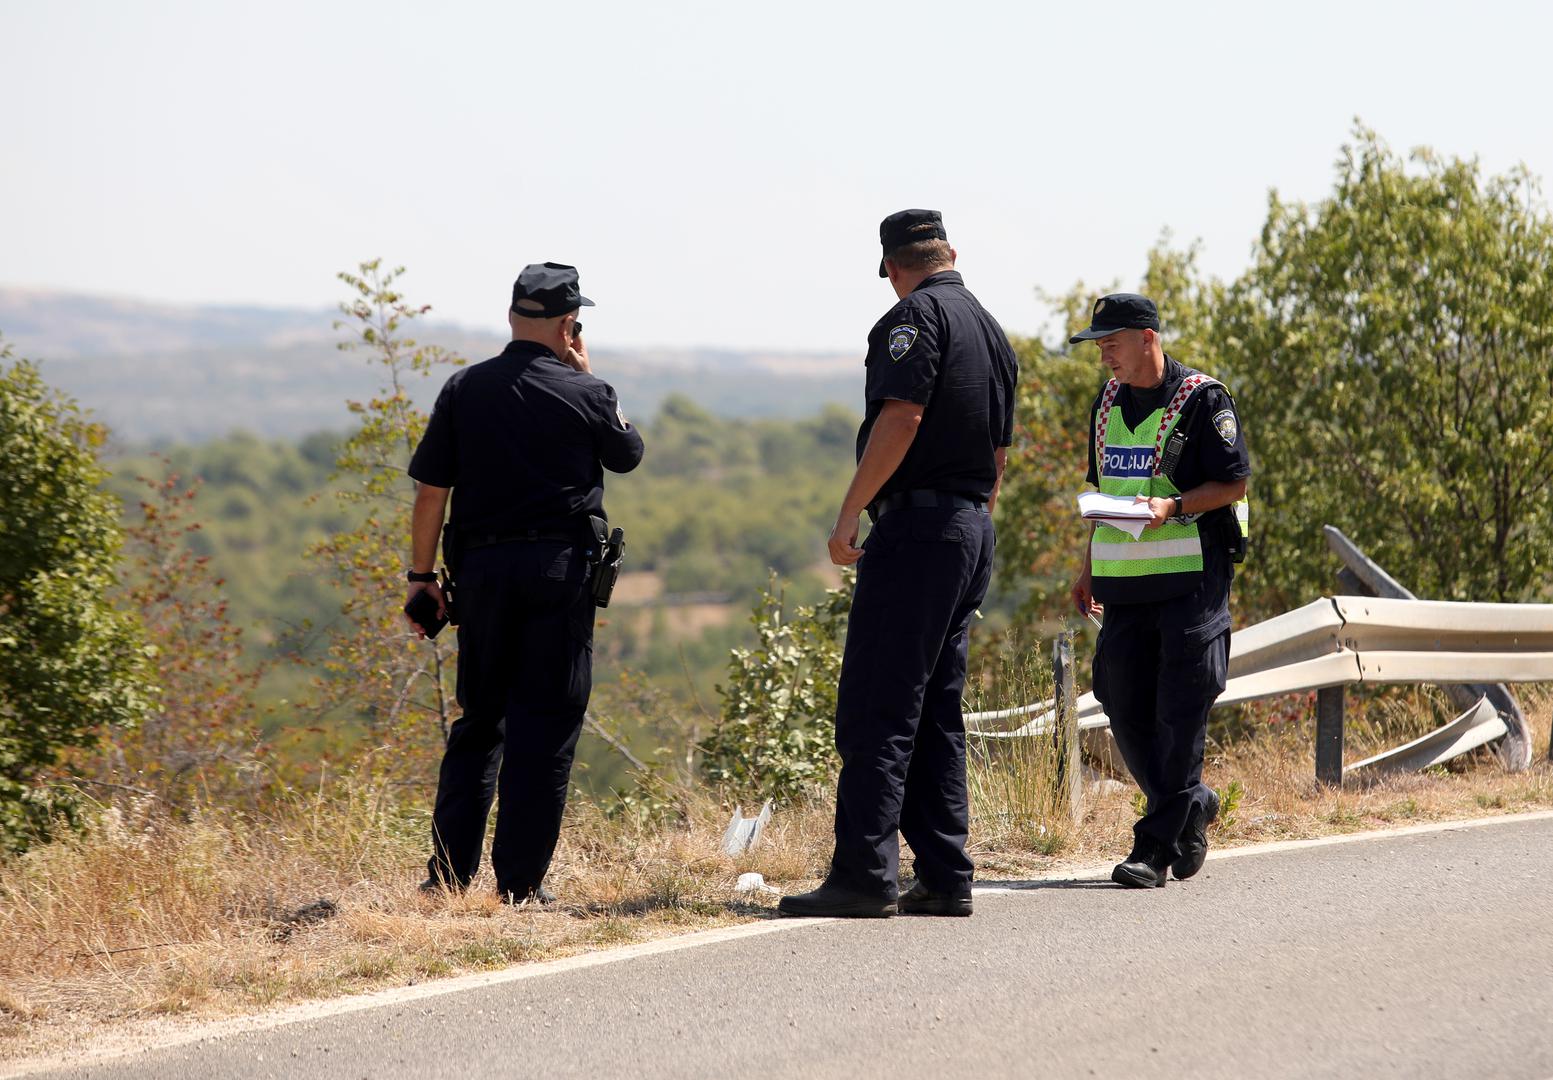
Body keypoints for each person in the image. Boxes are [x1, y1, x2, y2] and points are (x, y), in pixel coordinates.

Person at [779, 209, 1018, 919]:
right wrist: (970, 525)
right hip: (969, 524)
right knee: (936, 710)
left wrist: (851, 510)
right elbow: (999, 454)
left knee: (878, 707)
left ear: (890, 267)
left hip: (919, 529)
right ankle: (944, 875)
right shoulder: (990, 328)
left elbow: (902, 416)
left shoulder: (914, 318)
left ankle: (863, 874)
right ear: (951, 253)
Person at [405, 262, 644, 904]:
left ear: (512, 317)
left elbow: (432, 493)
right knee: (545, 727)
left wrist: (421, 578)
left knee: (480, 721)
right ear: (570, 325)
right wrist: (587, 375)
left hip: (479, 578)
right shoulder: (587, 393)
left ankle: (449, 878)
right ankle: (519, 889)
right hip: (558, 578)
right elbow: (628, 453)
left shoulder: (463, 389)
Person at [1067, 293, 1250, 889]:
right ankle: (1192, 803)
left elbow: (1233, 484)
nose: (1104, 358)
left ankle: (1153, 846)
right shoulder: (1108, 403)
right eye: (1098, 347)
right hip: (1124, 581)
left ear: (1147, 337)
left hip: (1192, 578)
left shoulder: (1203, 400)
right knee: (1118, 696)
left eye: (1111, 344)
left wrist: (1173, 507)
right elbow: (1103, 489)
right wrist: (1088, 565)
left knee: (1180, 706)